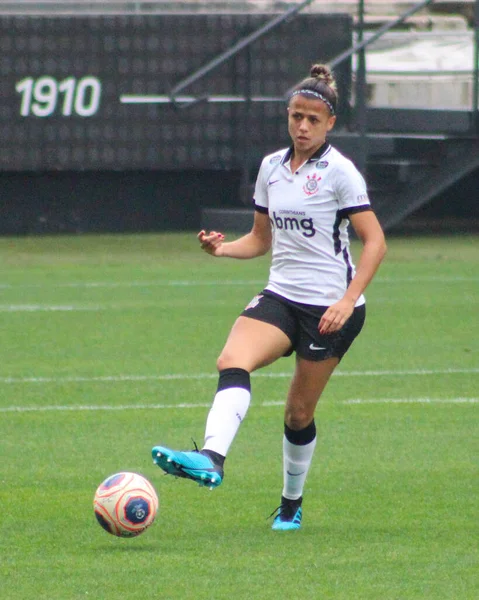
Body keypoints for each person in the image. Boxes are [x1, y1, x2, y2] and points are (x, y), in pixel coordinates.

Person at [152, 63, 387, 531]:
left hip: (330, 310)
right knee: (231, 360)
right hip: (280, 297)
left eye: (312, 119)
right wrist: (221, 249)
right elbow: (261, 240)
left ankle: (290, 504)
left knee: (298, 414)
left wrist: (346, 300)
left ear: (330, 123)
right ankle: (212, 459)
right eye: (295, 116)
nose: (302, 126)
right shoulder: (271, 168)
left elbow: (376, 242)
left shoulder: (341, 174)